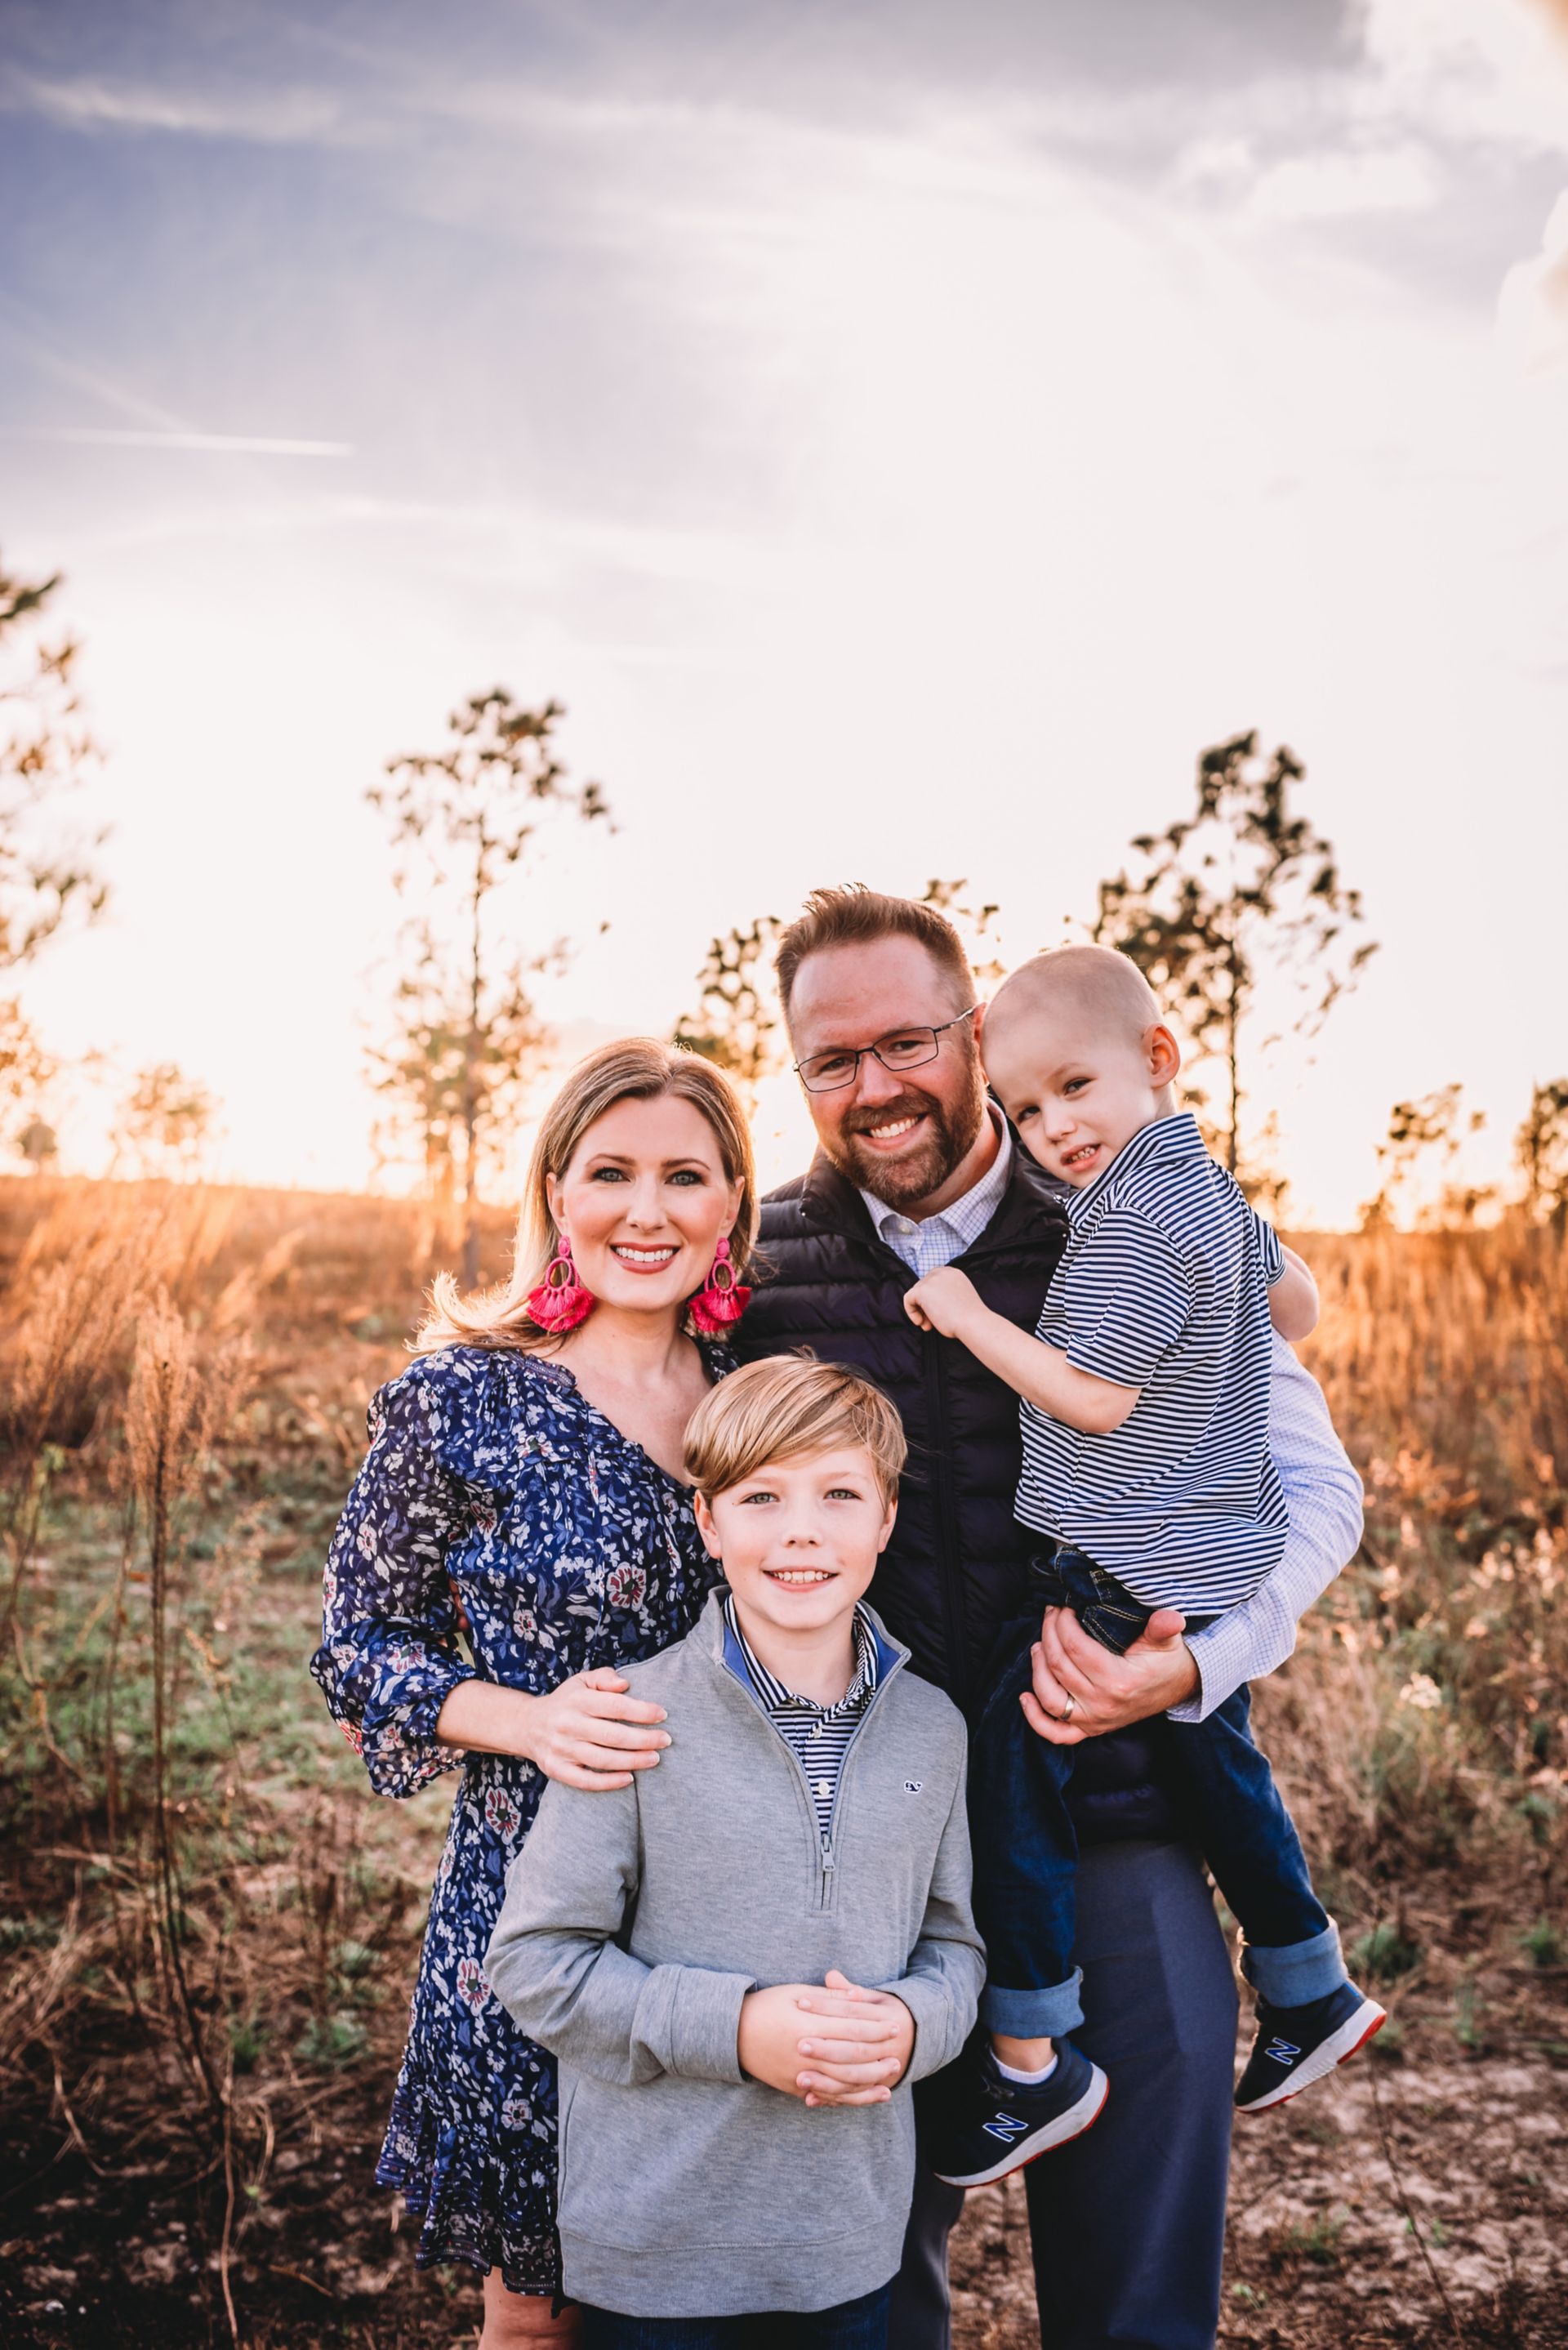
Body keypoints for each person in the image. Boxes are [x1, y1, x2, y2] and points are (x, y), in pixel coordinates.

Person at [735, 887, 1365, 2350]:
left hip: (1121, 1825)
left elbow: (1313, 1492)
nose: (876, 1085)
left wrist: (1195, 1664)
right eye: (833, 1058)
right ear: (793, 1069)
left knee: (1138, 2309)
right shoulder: (754, 1276)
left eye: (909, 1040)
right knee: (852, 2302)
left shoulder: (1135, 1218)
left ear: (974, 1030)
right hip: (851, 1865)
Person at [902, 945, 1383, 2190]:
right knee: (1216, 1753)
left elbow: (1097, 1398)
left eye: (1074, 1087)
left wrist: (964, 1313)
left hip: (1124, 1559)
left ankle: (1033, 2054)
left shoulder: (1126, 1225)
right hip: (1204, 1556)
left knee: (1017, 1752)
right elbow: (1300, 1301)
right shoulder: (1203, 1183)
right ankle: (1306, 1979)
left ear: (1158, 1059)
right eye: (1024, 1108)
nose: (1053, 1128)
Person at [311, 1039, 756, 2348]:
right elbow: (356, 1640)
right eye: (610, 1172)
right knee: (539, 2316)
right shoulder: (466, 1394)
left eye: (685, 1174)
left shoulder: (761, 1401)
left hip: (737, 1905)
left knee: (708, 2291)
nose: (647, 1210)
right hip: (539, 1896)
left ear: (733, 1198)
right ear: (557, 1191)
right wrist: (529, 1720)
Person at [485, 1356, 986, 2348]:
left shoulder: (933, 1728)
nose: (802, 1530)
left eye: (839, 1495)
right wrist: (738, 2027)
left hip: (846, 2241)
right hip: (658, 2252)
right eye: (762, 1497)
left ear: (886, 1519)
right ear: (709, 1523)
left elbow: (955, 1948)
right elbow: (534, 1965)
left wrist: (914, 2024)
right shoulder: (630, 1719)